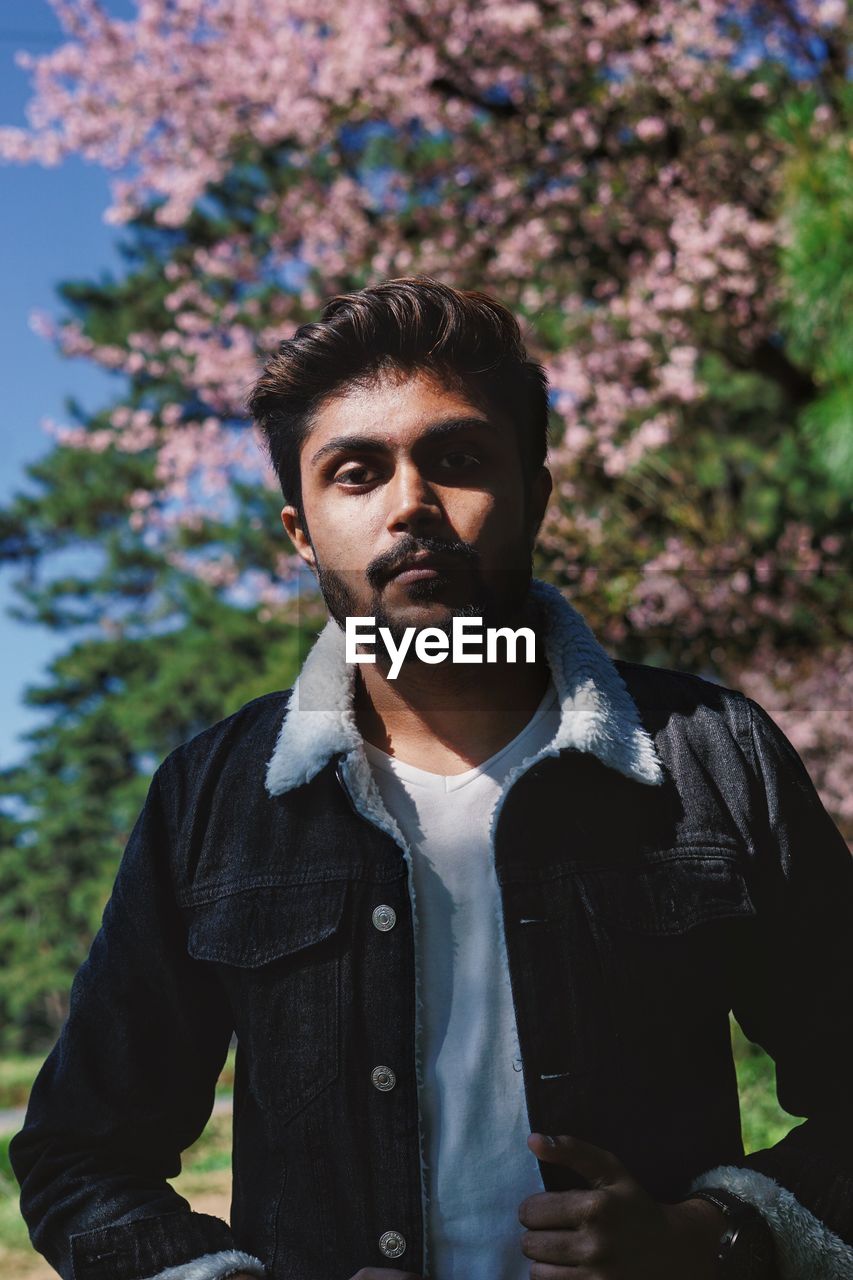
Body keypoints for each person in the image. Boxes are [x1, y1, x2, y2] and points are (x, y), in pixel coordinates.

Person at [11, 278, 853, 1280]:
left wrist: (718, 1234)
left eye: (455, 459)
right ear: (300, 530)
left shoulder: (712, 753)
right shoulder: (216, 797)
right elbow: (80, 1154)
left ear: (535, 493)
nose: (410, 503)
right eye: (356, 472)